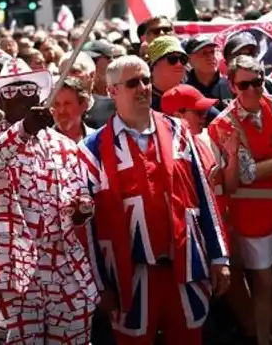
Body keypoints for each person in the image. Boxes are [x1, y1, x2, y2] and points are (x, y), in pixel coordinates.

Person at [81, 55, 230, 345]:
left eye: (146, 80)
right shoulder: (93, 148)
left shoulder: (178, 132)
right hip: (129, 276)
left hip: (184, 267)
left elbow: (204, 195)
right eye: (133, 83)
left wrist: (219, 256)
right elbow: (87, 225)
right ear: (112, 91)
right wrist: (99, 285)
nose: (143, 88)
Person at [0, 59, 98, 343]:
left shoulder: (62, 144)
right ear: (0, 101)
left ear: (40, 95)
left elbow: (79, 191)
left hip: (63, 265)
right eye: (11, 92)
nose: (22, 97)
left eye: (28, 90)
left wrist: (81, 209)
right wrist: (23, 130)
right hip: (13, 269)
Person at [209, 56, 272, 345]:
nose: (252, 90)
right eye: (244, 85)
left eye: (258, 82)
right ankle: (263, 339)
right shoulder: (224, 124)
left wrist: (270, 165)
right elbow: (246, 174)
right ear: (232, 85)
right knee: (263, 281)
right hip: (252, 212)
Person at [185, 37, 233, 109]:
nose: (210, 56)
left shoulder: (232, 85)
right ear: (189, 60)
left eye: (212, 51)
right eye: (204, 53)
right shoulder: (184, 91)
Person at [52, 77, 93, 143]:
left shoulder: (98, 141)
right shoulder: (42, 144)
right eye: (56, 104)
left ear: (83, 105)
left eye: (67, 104)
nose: (61, 110)